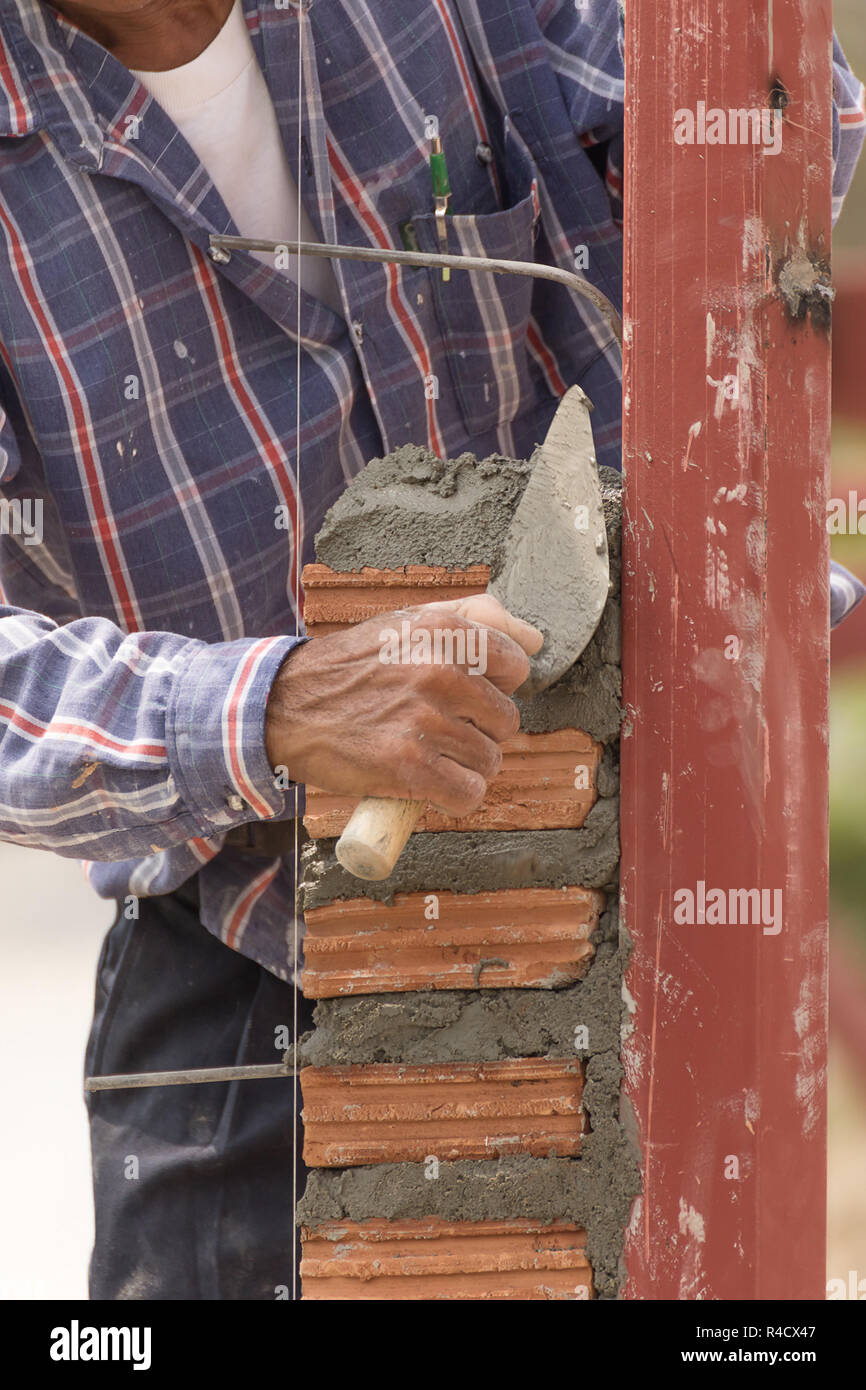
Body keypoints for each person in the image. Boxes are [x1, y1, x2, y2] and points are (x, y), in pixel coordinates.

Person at [0, 0, 862, 1300]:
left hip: (628, 897)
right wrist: (272, 703)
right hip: (250, 941)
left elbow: (790, 127)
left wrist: (730, 119)